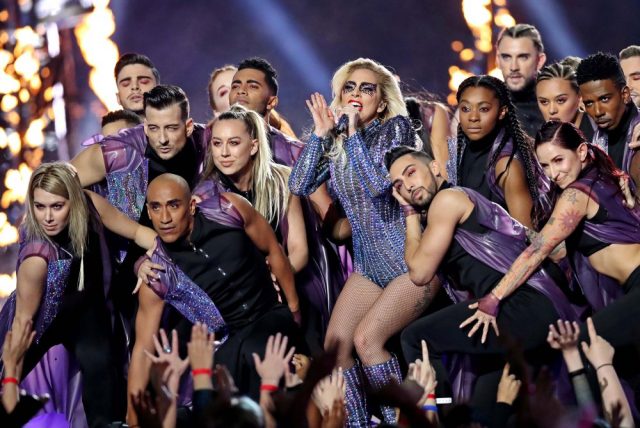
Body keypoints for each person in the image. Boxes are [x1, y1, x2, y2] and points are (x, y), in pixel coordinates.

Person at [289, 58, 427, 426]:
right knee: (334, 350)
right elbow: (299, 184)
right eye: (349, 88)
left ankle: (400, 423)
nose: (356, 95)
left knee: (367, 341)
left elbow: (379, 185)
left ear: (381, 102)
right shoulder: (337, 139)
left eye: (367, 89)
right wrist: (321, 135)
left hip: (410, 262)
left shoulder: (397, 129)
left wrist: (349, 135)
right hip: (369, 266)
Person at [386, 146, 574, 407]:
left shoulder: (447, 200)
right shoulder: (453, 202)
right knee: (486, 399)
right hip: (513, 308)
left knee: (416, 339)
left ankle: (435, 417)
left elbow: (419, 273)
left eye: (410, 173)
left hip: (522, 304)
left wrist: (409, 214)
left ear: (435, 167)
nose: (407, 186)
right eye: (398, 185)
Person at [127, 173, 299, 425]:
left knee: (255, 352)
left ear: (191, 206)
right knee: (215, 394)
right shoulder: (158, 273)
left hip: (271, 315)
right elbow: (143, 350)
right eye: (156, 207)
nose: (164, 218)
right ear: (149, 213)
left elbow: (273, 249)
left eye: (173, 205)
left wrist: (294, 310)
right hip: (229, 343)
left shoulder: (228, 209)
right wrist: (132, 419)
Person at [467, 121, 640, 369]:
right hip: (631, 288)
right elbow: (560, 250)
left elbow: (539, 251)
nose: (553, 173)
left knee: (583, 351)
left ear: (581, 151)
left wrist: (493, 298)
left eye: (559, 160)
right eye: (545, 165)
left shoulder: (577, 194)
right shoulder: (601, 176)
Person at [0, 162, 156, 426]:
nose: (48, 217)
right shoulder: (36, 258)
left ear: (73, 201)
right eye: (40, 207)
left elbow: (138, 232)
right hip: (39, 320)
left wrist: (153, 255)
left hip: (86, 313)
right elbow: (23, 322)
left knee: (103, 379)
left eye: (57, 206)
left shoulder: (89, 204)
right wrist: (11, 369)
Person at [193, 105, 312, 325]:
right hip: (235, 301)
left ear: (254, 146)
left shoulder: (283, 181)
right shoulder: (204, 196)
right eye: (217, 143)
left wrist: (279, 276)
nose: (224, 153)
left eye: (234, 143)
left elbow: (299, 249)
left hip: (287, 285)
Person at [447, 75, 546, 229]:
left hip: (499, 245)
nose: (473, 117)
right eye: (465, 109)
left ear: (502, 112)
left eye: (484, 109)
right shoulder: (463, 149)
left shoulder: (506, 165)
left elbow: (528, 233)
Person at [576, 52, 640, 191]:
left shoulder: (638, 137)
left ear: (625, 95)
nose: (598, 112)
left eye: (604, 99)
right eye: (589, 103)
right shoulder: (597, 139)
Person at [495, 23, 547, 137]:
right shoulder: (483, 105)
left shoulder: (561, 103)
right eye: (506, 57)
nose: (514, 67)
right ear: (498, 61)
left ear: (539, 61)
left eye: (523, 57)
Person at [536, 62, 595, 141]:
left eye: (560, 100)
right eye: (544, 102)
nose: (552, 110)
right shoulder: (540, 138)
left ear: (580, 98)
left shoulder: (600, 135)